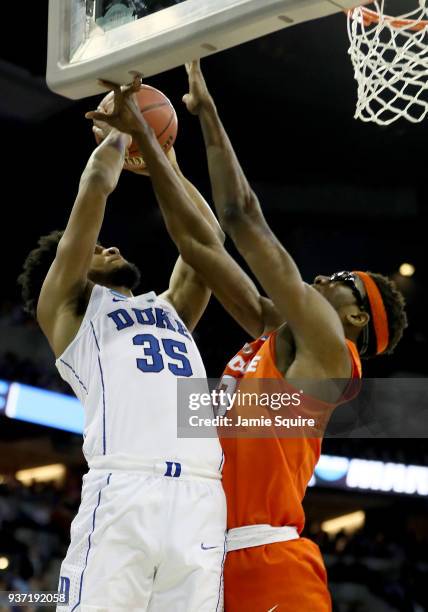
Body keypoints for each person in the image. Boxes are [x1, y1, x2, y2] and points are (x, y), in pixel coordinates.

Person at [88, 69, 407, 611]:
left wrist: (203, 115)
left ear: (356, 319)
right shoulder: (277, 335)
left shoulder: (330, 351)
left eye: (345, 283)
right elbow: (201, 246)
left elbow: (240, 216)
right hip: (207, 559)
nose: (327, 277)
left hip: (270, 562)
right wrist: (163, 156)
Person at [18, 109, 227, 611]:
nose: (110, 245)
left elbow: (209, 240)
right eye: (96, 250)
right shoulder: (72, 313)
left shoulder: (168, 307)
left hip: (201, 497)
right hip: (124, 487)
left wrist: (165, 161)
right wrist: (121, 133)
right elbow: (94, 186)